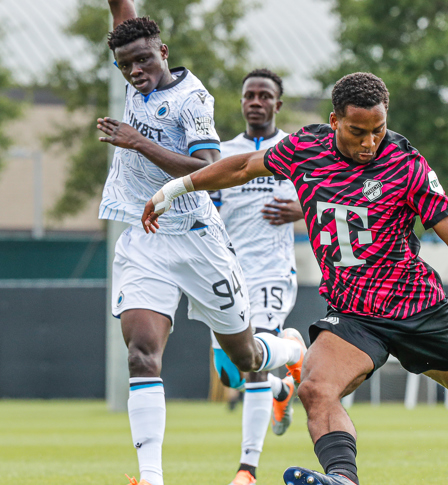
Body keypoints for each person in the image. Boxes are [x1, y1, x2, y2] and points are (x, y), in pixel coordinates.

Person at [143, 72, 448, 485]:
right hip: (353, 315)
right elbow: (243, 165)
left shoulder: (407, 164)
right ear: (334, 121)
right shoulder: (304, 149)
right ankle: (342, 479)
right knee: (315, 389)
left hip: (418, 309)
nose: (370, 143)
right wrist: (174, 190)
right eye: (358, 131)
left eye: (378, 130)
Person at [100, 3, 305, 484]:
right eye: (125, 65)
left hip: (198, 242)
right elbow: (122, 14)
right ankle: (151, 476)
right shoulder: (134, 62)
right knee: (141, 352)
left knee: (246, 361)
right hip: (144, 235)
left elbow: (208, 174)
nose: (135, 72)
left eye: (144, 61)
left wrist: (139, 143)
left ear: (163, 51)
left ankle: (291, 353)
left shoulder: (193, 101)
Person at [209, 68, 304, 485]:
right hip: (228, 274)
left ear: (277, 105)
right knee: (232, 372)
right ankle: (286, 375)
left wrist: (301, 210)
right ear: (242, 101)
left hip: (272, 271)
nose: (256, 101)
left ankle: (247, 468)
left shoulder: (297, 150)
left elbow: (335, 192)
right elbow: (205, 204)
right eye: (250, 94)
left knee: (253, 365)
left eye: (265, 95)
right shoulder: (223, 153)